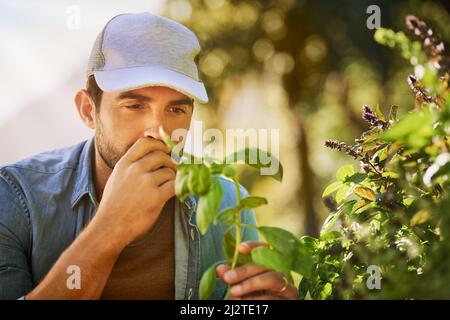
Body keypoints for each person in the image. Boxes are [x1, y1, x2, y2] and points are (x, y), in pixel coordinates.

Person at [0, 12, 298, 300]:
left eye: (176, 109)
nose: (158, 131)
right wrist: (109, 229)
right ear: (88, 110)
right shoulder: (16, 196)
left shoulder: (229, 201)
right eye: (134, 106)